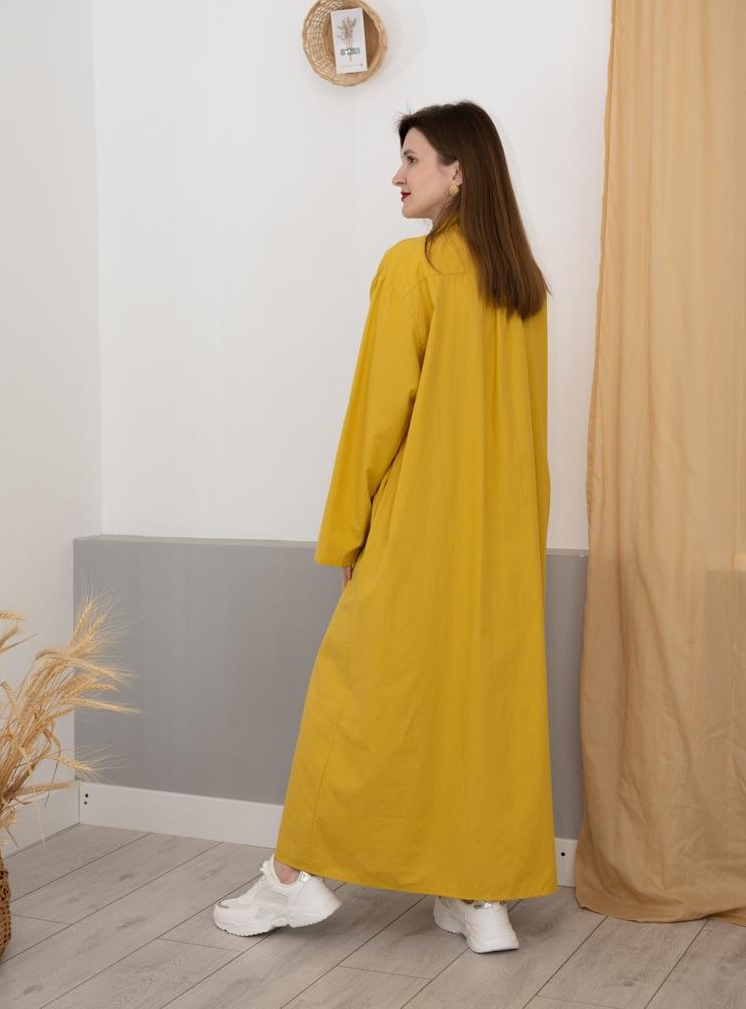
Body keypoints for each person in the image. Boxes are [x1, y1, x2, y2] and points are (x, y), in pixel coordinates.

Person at [214, 100, 556, 954]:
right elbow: (527, 430)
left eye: (412, 158)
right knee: (478, 705)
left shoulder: (415, 268)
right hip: (502, 540)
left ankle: (292, 879)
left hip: (417, 530)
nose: (396, 175)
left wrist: (348, 534)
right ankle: (479, 896)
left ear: (458, 172)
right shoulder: (522, 284)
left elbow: (377, 415)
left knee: (355, 696)